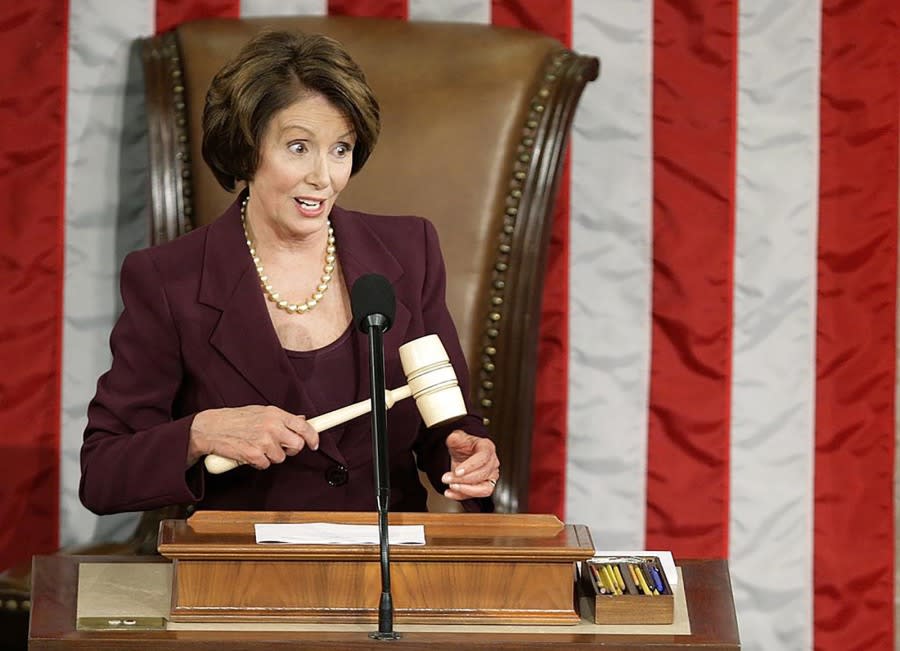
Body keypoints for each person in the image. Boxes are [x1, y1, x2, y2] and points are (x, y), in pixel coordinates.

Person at [79, 30, 499, 515]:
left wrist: (464, 452)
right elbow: (104, 473)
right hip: (243, 572)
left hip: (387, 566)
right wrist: (200, 433)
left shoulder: (409, 252)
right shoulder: (168, 279)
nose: (323, 176)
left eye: (340, 149)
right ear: (246, 147)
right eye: (299, 147)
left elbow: (446, 420)